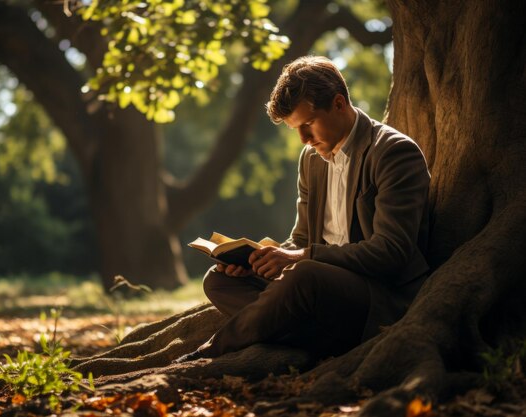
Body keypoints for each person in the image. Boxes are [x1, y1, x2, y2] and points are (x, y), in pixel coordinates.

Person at [177, 55, 430, 362]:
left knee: (305, 274)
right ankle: (315, 340)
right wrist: (257, 260)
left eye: (308, 124)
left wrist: (301, 257)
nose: (303, 140)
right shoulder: (311, 160)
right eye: (295, 129)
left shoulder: (393, 153)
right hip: (316, 289)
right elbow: (301, 240)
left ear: (338, 104)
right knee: (219, 280)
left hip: (377, 295)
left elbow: (391, 252)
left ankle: (209, 352)